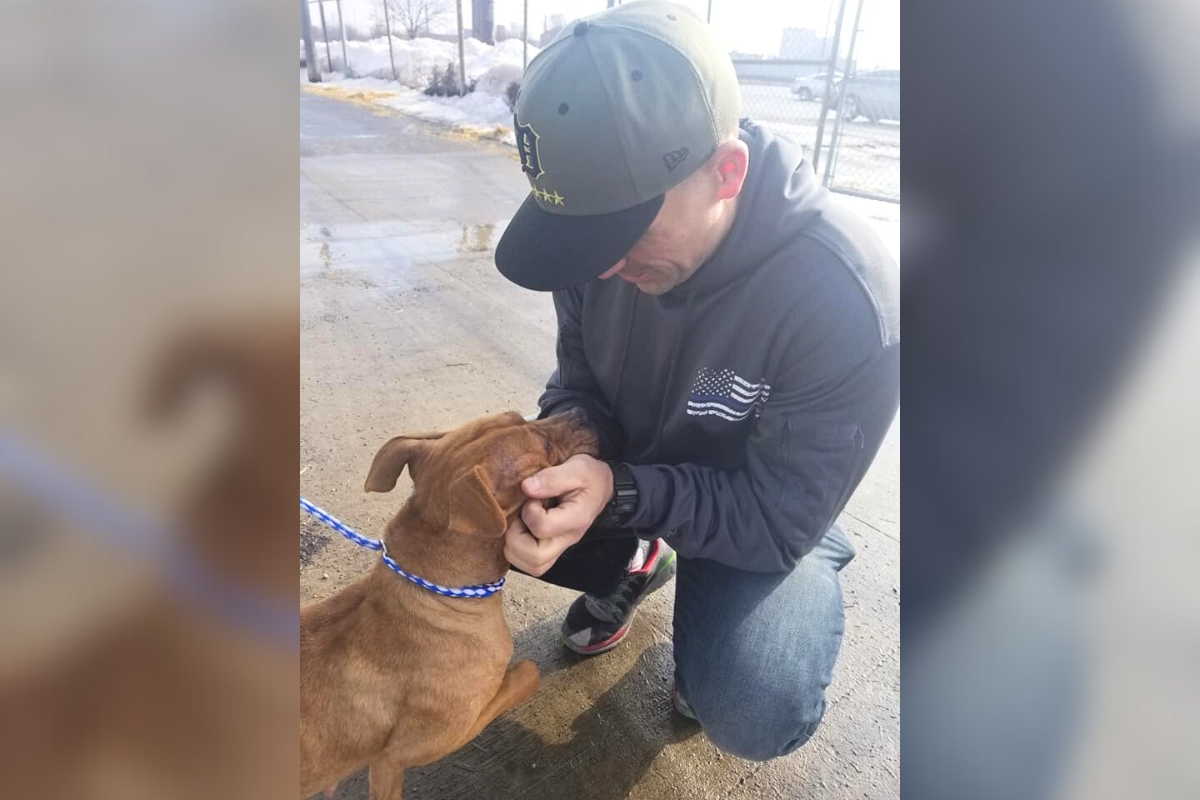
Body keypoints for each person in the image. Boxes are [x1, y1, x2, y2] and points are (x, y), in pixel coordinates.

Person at [493, 0, 899, 762]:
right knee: (491, 513)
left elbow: (777, 518)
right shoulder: (598, 250)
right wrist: (569, 456)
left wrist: (624, 491)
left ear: (726, 172)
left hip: (766, 502)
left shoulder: (843, 297)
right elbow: (577, 381)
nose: (602, 265)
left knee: (751, 700)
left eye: (621, 231)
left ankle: (754, 577)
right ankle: (649, 555)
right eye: (582, 238)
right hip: (639, 470)